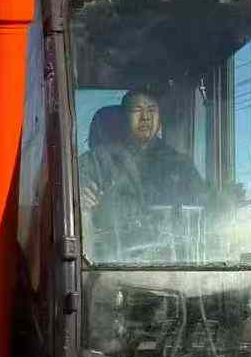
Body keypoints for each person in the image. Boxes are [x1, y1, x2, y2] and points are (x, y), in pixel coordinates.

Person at [78, 90, 206, 257]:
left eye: (152, 110)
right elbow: (73, 194)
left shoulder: (181, 166)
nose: (145, 117)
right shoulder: (97, 162)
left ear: (160, 119)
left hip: (172, 266)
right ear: (123, 119)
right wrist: (78, 198)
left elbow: (206, 213)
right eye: (137, 110)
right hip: (111, 265)